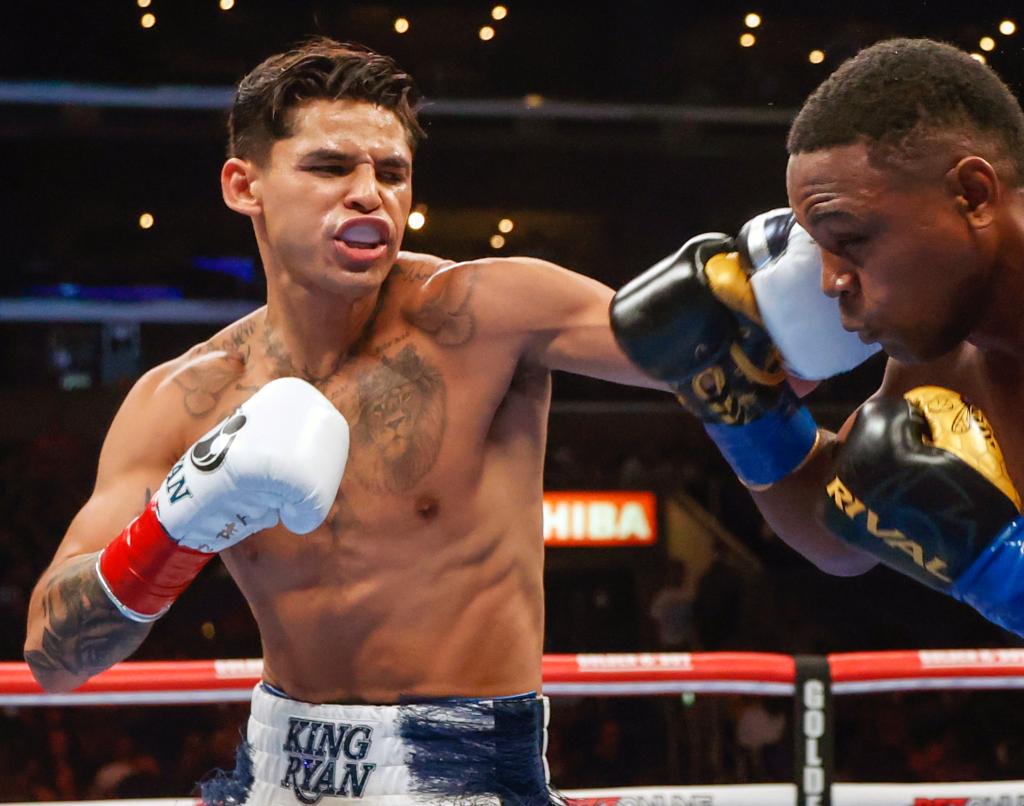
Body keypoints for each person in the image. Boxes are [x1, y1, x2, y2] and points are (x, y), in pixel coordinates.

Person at [23, 37, 679, 805]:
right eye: (331, 167)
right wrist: (175, 527)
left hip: (464, 768)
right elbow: (52, 657)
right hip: (277, 768)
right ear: (245, 185)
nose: (371, 193)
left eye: (392, 172)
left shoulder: (492, 315)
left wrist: (787, 293)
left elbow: (717, 361)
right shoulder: (183, 399)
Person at [611, 38, 1024, 639]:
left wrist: (1000, 572)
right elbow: (840, 535)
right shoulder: (950, 359)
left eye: (851, 239)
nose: (831, 281)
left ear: (973, 195)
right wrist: (743, 409)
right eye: (818, 247)